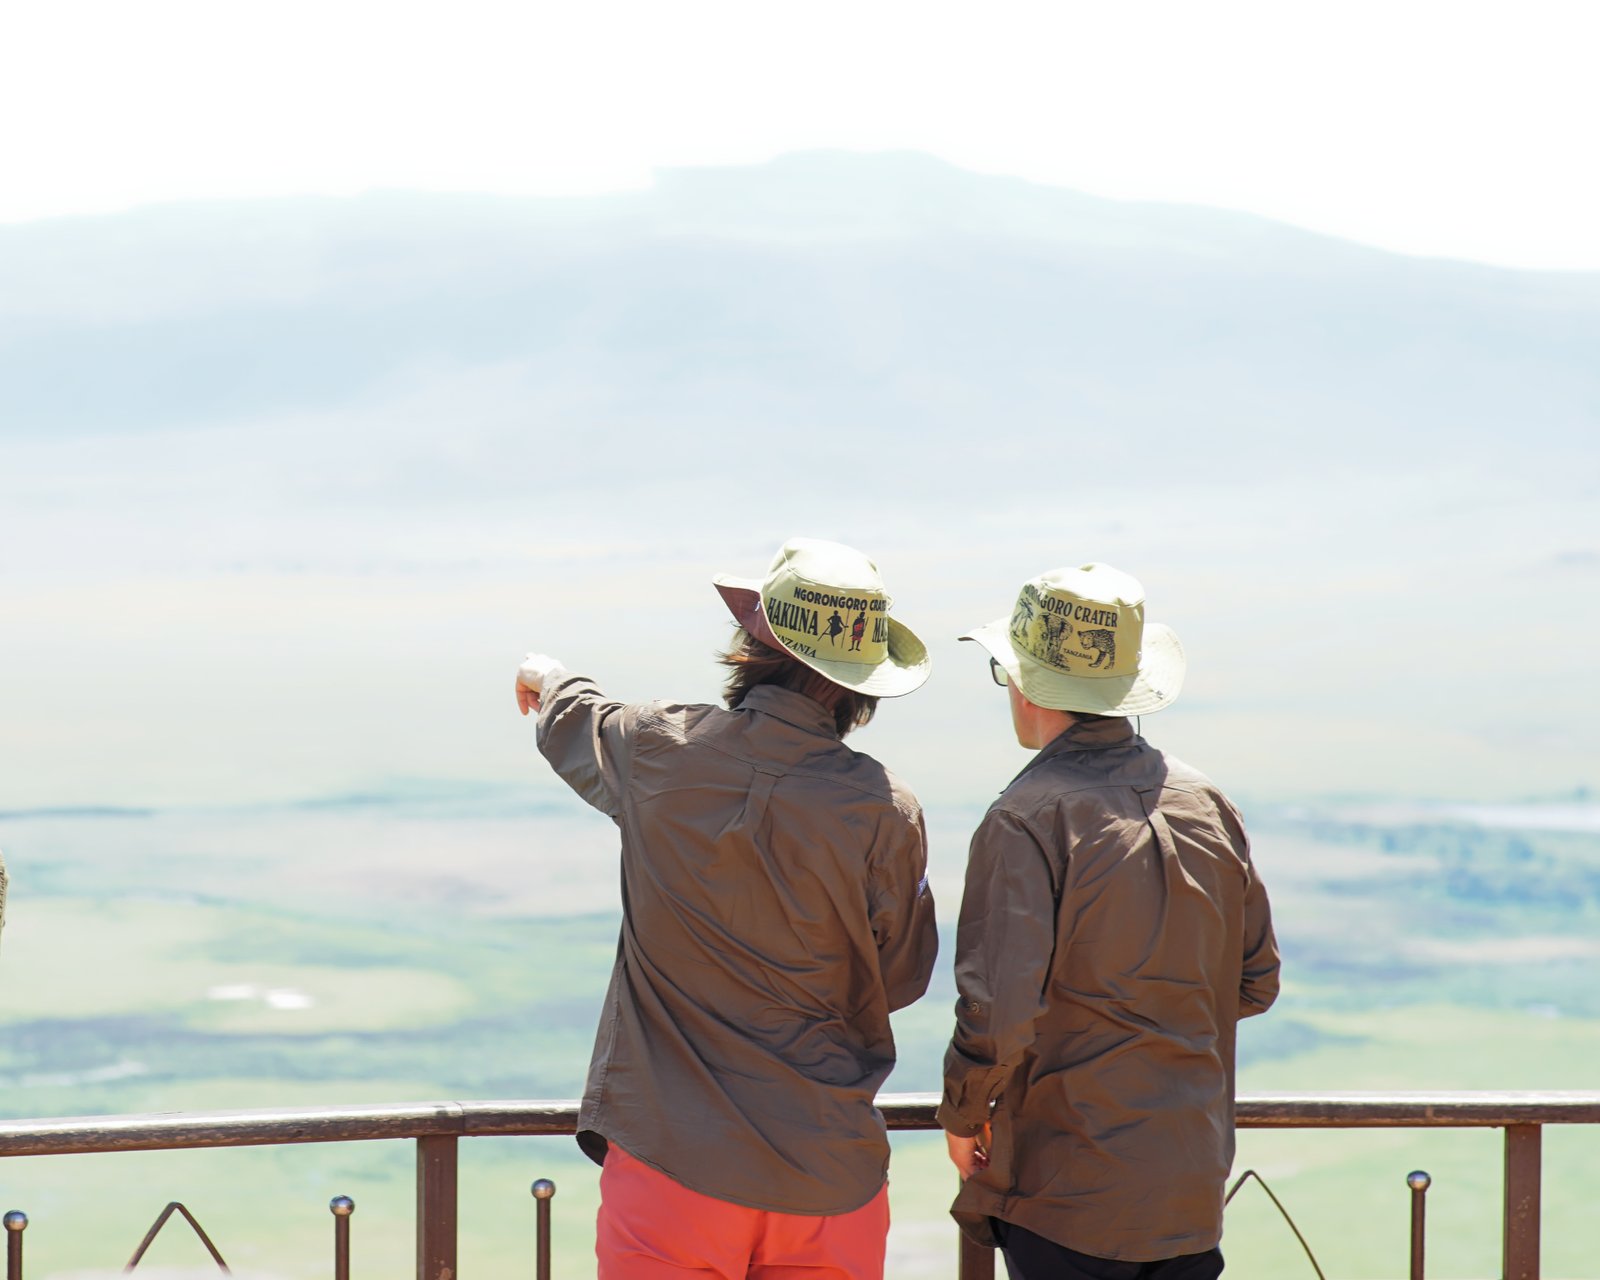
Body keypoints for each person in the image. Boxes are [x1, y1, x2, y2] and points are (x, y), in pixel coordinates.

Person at [514, 537, 938, 1280]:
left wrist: (547, 676)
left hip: (673, 1164)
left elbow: (576, 717)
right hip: (827, 1171)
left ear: (752, 647)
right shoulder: (886, 810)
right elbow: (899, 978)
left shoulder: (657, 747)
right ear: (862, 684)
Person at [939, 563, 1280, 1280]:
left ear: (1026, 684)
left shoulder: (1026, 816)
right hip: (1191, 1183)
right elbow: (1256, 982)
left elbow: (999, 1013)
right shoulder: (1206, 802)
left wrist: (964, 1116)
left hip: (1067, 1187)